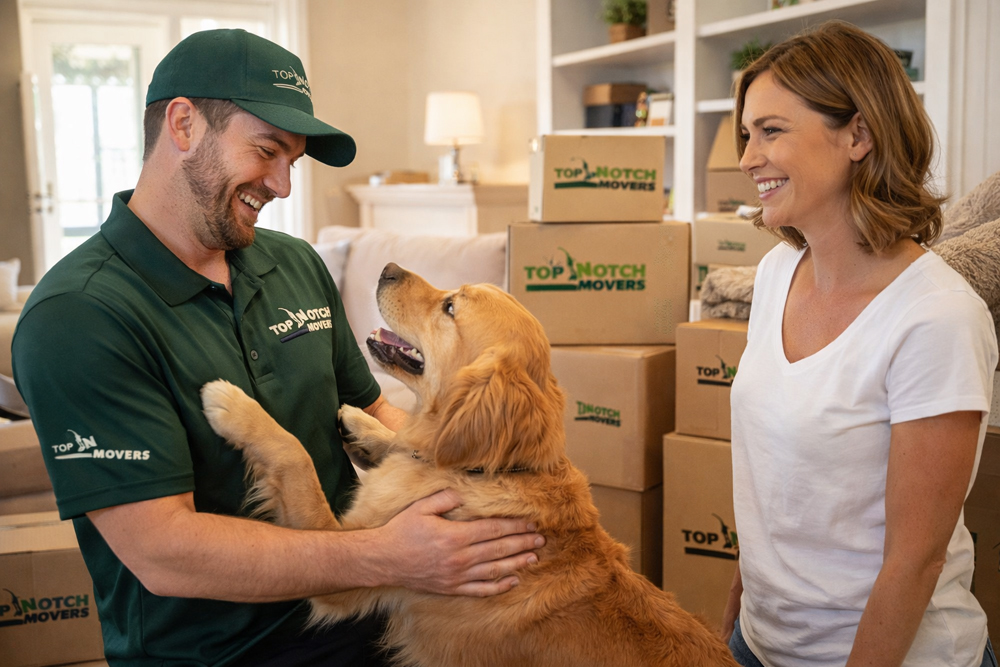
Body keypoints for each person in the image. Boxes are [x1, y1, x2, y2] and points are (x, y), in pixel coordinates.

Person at [11, 29, 544, 667]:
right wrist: (391, 554)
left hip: (371, 609)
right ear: (183, 125)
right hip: (222, 652)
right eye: (267, 151)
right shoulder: (77, 316)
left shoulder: (293, 263)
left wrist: (500, 486)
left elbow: (373, 415)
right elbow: (163, 551)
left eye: (293, 160)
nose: (284, 185)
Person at [721, 21, 999, 667]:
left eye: (770, 131)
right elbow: (779, 479)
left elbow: (916, 558)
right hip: (762, 640)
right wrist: (746, 595)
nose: (746, 158)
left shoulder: (936, 316)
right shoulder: (774, 275)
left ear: (859, 134)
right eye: (745, 134)